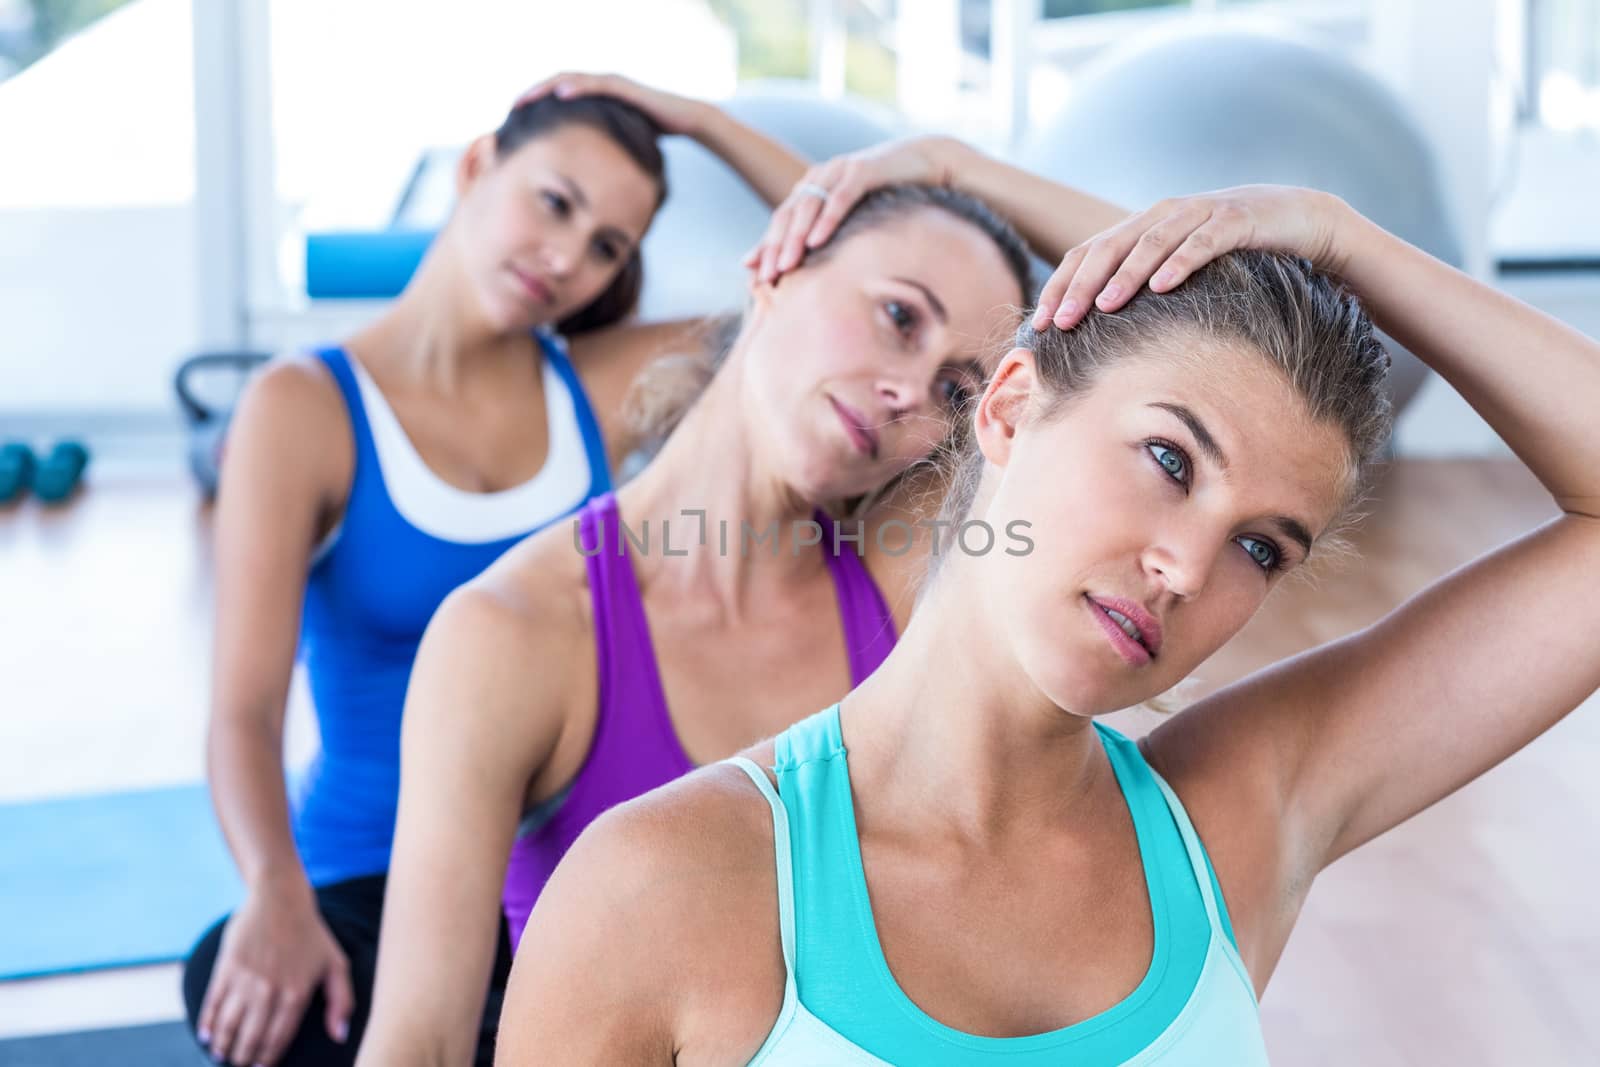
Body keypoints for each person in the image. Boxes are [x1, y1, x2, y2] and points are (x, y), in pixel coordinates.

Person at [498, 182, 1600, 1065]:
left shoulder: (1234, 819)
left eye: (1260, 546)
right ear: (1011, 405)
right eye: (1169, 459)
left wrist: (1340, 235)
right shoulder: (664, 884)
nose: (1184, 566)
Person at [355, 130, 1130, 1064]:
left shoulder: (903, 572)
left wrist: (945, 164)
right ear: (777, 264)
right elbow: (419, 1044)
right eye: (896, 315)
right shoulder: (517, 632)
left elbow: (1199, 313)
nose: (904, 391)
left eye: (953, 388)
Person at [184, 75, 825, 1067]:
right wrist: (272, 888)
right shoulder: (300, 407)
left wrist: (697, 121)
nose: (568, 257)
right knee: (235, 985)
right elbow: (242, 711)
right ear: (478, 163)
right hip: (369, 878)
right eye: (555, 202)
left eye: (608, 245)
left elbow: (841, 271)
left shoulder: (604, 385)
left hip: (563, 878)